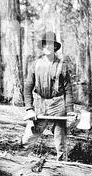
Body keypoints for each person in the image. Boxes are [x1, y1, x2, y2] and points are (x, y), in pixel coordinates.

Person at [22, 31, 76, 161]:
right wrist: (29, 109)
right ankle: (20, 163)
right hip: (40, 104)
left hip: (58, 105)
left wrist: (70, 111)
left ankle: (62, 171)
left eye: (50, 45)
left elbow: (68, 90)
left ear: (55, 47)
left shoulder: (62, 66)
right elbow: (28, 87)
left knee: (60, 141)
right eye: (45, 45)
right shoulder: (35, 65)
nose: (47, 47)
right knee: (29, 137)